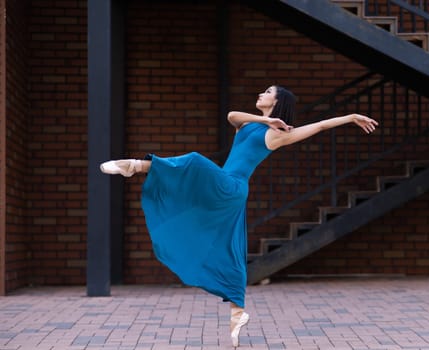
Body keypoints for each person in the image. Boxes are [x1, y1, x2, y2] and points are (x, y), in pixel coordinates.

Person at [100, 85, 378, 347]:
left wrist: (350, 116)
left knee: (195, 160)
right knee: (231, 246)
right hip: (224, 184)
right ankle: (237, 313)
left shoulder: (279, 134)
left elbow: (318, 126)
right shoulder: (251, 124)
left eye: (267, 92)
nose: (261, 93)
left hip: (231, 186)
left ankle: (135, 166)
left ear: (278, 102)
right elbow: (231, 115)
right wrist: (266, 120)